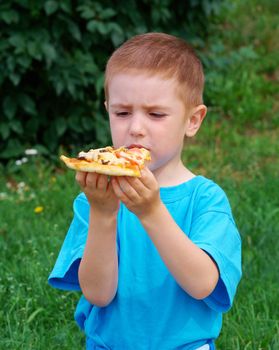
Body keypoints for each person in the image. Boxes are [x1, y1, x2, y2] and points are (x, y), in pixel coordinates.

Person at [48, 32, 242, 350]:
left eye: (155, 114)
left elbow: (203, 284)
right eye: (122, 113)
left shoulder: (206, 200)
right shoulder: (94, 200)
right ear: (108, 110)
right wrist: (103, 213)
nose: (136, 127)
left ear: (192, 120)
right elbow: (97, 293)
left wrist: (151, 211)